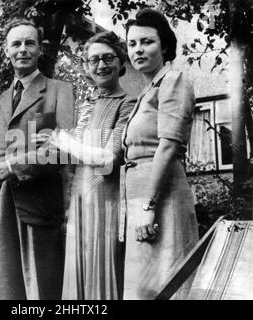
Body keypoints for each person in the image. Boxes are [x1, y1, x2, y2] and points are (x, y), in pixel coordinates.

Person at [0, 18, 75, 300]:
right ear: (6, 51)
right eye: (16, 44)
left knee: (41, 291)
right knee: (5, 290)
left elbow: (63, 150)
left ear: (40, 49)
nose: (23, 49)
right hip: (0, 203)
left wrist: (10, 166)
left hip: (40, 202)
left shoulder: (60, 91)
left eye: (29, 43)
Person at [36, 31, 135, 299]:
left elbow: (108, 159)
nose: (101, 65)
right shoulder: (85, 104)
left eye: (108, 58)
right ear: (86, 67)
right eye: (94, 60)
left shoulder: (129, 104)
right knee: (76, 279)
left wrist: (65, 142)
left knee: (101, 277)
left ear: (121, 61)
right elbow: (70, 156)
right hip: (78, 200)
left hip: (106, 200)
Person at [121, 8, 199, 300]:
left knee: (168, 284)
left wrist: (149, 206)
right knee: (143, 289)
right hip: (143, 199)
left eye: (146, 41)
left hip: (161, 198)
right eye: (132, 44)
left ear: (164, 45)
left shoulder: (173, 81)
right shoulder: (147, 90)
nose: (138, 49)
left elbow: (167, 146)